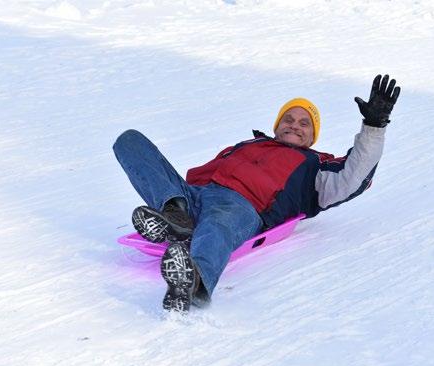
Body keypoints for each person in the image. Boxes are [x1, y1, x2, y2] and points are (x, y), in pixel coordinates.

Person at [113, 74, 401, 313]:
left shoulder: (315, 166)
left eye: (304, 123)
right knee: (130, 141)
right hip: (195, 195)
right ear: (277, 126)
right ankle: (175, 215)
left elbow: (353, 177)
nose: (294, 125)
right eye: (288, 119)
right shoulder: (248, 145)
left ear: (313, 137)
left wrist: (374, 127)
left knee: (217, 226)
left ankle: (194, 282)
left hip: (241, 208)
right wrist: (180, 194)